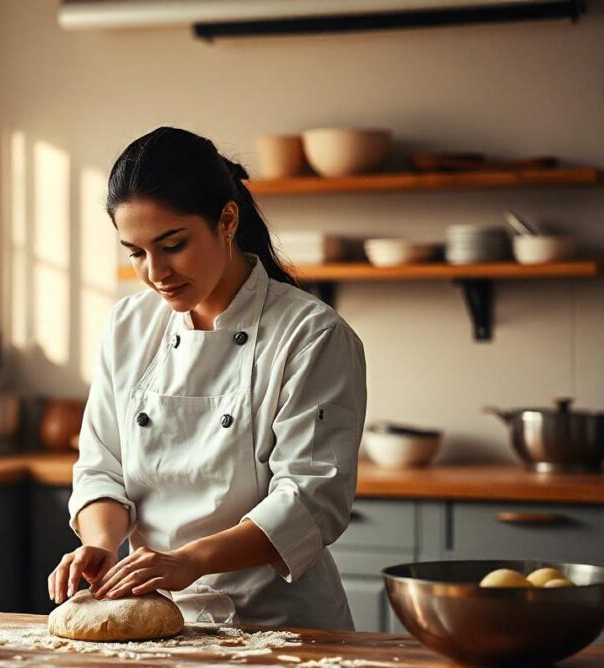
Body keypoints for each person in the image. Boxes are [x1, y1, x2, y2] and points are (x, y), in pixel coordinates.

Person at [47, 126, 367, 630]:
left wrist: (190, 560)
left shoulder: (311, 334)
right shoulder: (129, 324)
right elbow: (102, 465)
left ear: (227, 219)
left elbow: (310, 500)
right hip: (152, 620)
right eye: (135, 252)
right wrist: (100, 544)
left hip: (279, 626)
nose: (155, 272)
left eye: (172, 244)